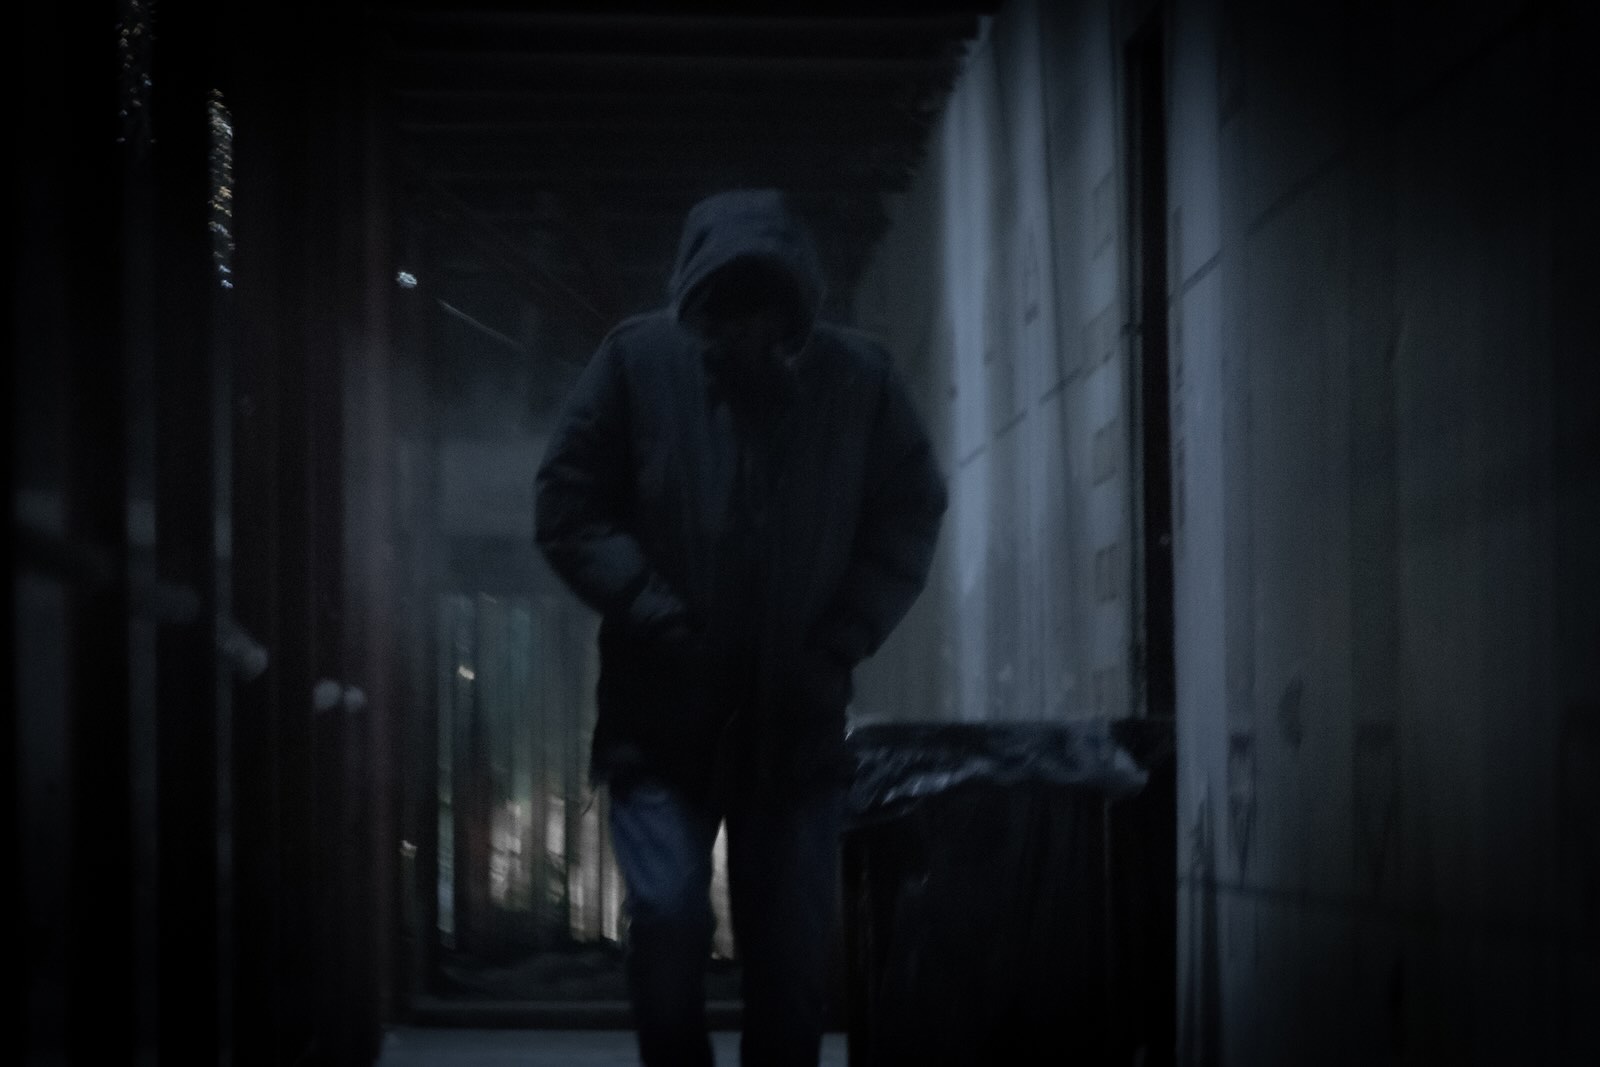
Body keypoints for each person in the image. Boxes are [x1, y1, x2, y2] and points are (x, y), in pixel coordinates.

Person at [534, 188, 947, 1067]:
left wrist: (839, 635)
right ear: (697, 299)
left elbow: (908, 511)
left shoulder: (857, 383)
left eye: (764, 305)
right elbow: (568, 506)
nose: (746, 329)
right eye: (727, 305)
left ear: (794, 305)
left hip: (793, 728)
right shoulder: (638, 366)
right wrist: (652, 608)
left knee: (791, 962)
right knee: (670, 918)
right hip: (661, 719)